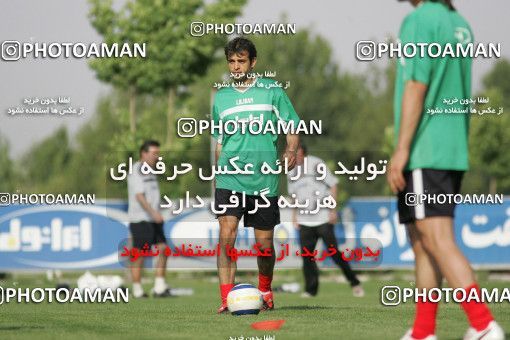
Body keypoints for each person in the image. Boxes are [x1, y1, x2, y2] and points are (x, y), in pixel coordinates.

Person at [389, 1, 504, 339]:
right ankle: (423, 331)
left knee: (437, 238)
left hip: (427, 148)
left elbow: (416, 85)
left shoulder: (419, 20)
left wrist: (402, 148)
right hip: (451, 148)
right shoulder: (459, 23)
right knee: (423, 242)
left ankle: (483, 325)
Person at [211, 37, 300, 313]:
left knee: (264, 245)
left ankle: (265, 289)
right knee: (227, 234)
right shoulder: (221, 98)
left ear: (253, 62)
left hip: (263, 180)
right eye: (232, 62)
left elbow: (292, 125)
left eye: (241, 61)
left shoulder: (272, 91)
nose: (236, 67)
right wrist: (218, 175)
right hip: (229, 177)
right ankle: (226, 298)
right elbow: (219, 142)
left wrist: (291, 150)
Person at [287, 144, 364, 298]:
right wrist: (294, 215)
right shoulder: (291, 170)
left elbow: (333, 184)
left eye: (299, 153)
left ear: (304, 152)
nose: (297, 157)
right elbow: (294, 194)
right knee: (307, 257)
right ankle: (310, 290)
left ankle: (354, 282)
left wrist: (333, 209)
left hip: (322, 218)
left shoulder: (316, 164)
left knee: (334, 253)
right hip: (304, 220)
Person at [127, 140, 172, 298]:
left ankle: (159, 287)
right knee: (139, 255)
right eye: (154, 153)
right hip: (140, 219)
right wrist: (153, 213)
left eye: (157, 153)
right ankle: (137, 289)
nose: (156, 156)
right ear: (143, 154)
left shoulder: (151, 171)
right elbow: (139, 196)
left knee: (163, 249)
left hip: (153, 219)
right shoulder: (137, 170)